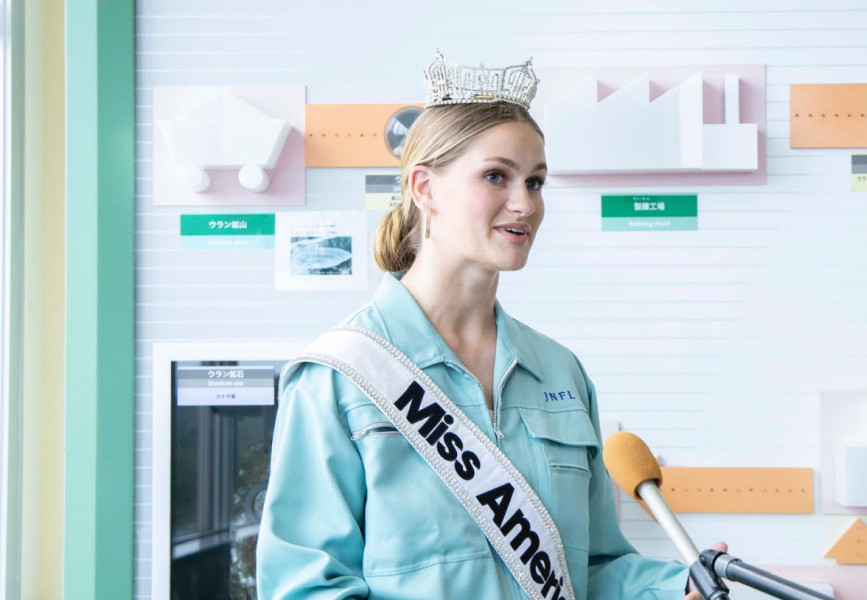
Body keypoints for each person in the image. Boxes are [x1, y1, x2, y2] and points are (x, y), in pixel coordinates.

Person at [256, 52, 723, 599]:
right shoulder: (340, 377)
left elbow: (592, 570)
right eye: (496, 176)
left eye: (537, 181)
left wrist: (672, 590)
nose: (524, 204)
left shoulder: (561, 372)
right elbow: (306, 586)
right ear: (424, 188)